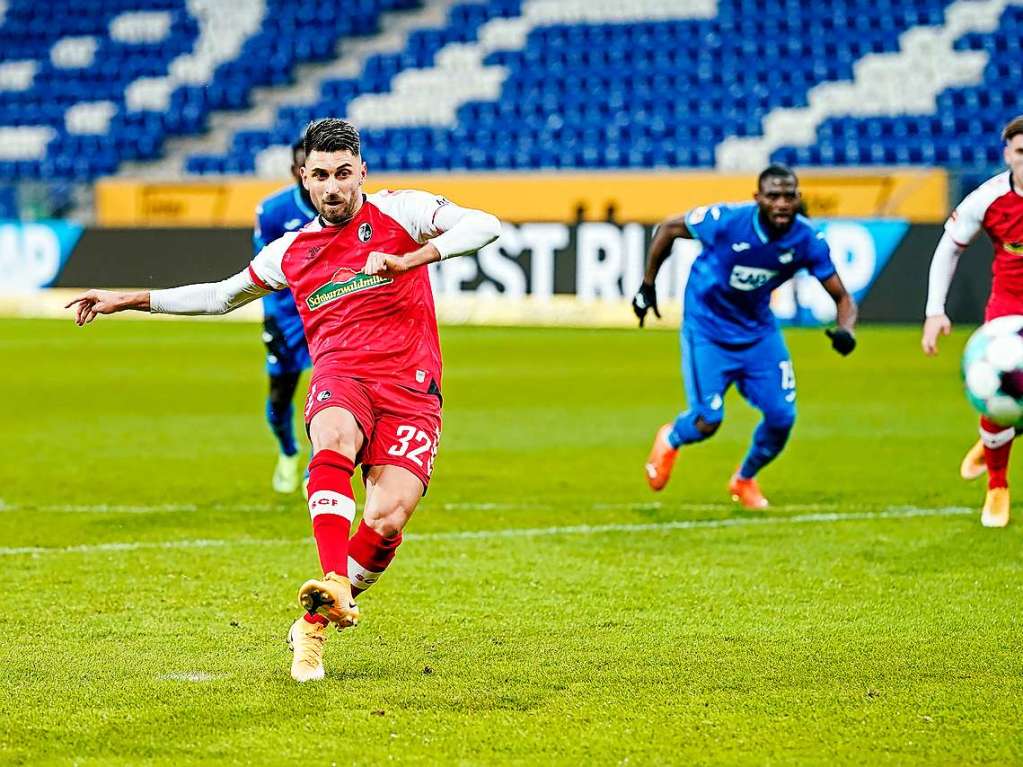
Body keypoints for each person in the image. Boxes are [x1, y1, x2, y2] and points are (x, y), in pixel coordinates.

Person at [66, 118, 502, 682]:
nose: (333, 187)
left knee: (388, 517)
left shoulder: (403, 212)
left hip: (412, 389)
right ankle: (334, 578)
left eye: (344, 174)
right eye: (320, 175)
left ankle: (313, 624)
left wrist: (410, 260)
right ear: (304, 177)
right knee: (335, 437)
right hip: (341, 375)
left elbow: (485, 225)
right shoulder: (290, 252)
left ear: (362, 172)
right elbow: (221, 296)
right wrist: (125, 299)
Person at [632, 164, 857, 507]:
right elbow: (668, 228)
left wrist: (846, 330)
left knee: (783, 417)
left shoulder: (807, 240)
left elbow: (842, 297)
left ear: (799, 199)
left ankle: (744, 479)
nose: (782, 203)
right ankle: (671, 438)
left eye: (789, 196)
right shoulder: (727, 221)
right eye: (773, 196)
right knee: (708, 420)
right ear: (757, 199)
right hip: (707, 328)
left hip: (758, 333)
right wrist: (648, 286)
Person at [921, 114, 1023, 528]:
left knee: (1012, 404)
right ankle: (997, 484)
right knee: (1001, 385)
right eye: (1021, 152)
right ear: (1008, 155)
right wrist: (934, 310)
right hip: (1009, 306)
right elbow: (948, 248)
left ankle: (994, 440)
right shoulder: (988, 198)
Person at [255, 137, 316, 494]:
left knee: (331, 392)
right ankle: (288, 451)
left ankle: (318, 463)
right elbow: (261, 271)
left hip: (332, 313)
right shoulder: (274, 212)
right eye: (302, 167)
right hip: (287, 317)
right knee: (280, 397)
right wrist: (271, 318)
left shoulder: (345, 208)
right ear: (297, 171)